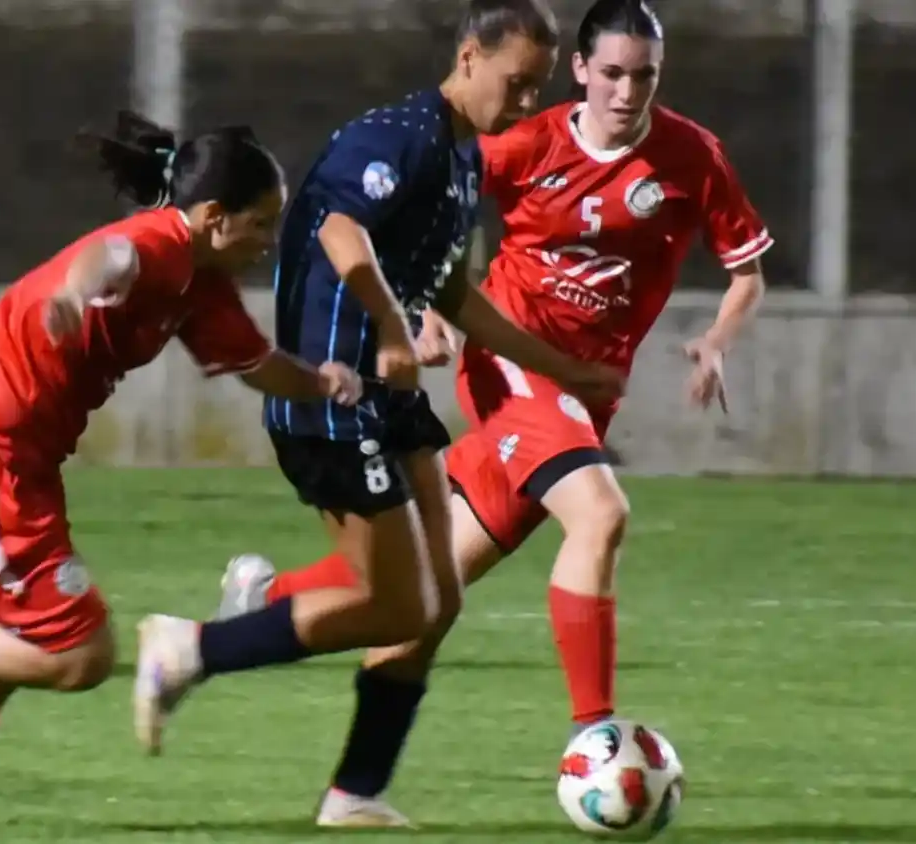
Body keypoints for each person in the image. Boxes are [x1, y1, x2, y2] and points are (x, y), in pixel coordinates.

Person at [219, 0, 772, 825]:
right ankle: (597, 738)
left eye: (644, 76)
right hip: (513, 365)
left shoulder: (692, 157)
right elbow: (442, 208)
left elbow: (747, 271)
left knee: (426, 582)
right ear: (581, 71)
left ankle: (268, 614)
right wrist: (437, 306)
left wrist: (719, 340)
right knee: (599, 516)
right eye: (612, 73)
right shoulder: (525, 138)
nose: (626, 92)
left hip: (583, 392)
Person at [129, 0, 626, 822]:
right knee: (399, 603)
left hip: (390, 403)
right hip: (333, 397)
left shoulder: (464, 159)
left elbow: (453, 292)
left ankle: (356, 792)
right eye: (517, 83)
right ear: (470, 56)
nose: (527, 102)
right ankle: (191, 648)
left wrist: (562, 367)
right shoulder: (398, 135)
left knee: (439, 602)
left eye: (538, 88)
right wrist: (392, 328)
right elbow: (340, 234)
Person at [0, 113, 363, 826]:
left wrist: (323, 383)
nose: (267, 241)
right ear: (212, 217)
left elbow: (257, 367)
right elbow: (109, 257)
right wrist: (75, 295)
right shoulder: (161, 244)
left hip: (21, 466)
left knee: (10, 645)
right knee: (79, 653)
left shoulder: (202, 286)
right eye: (260, 224)